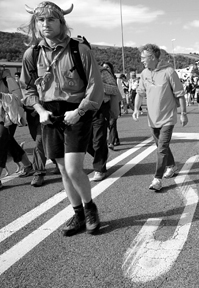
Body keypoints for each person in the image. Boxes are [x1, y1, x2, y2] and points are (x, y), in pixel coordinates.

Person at [20, 1, 104, 236]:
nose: (45, 24)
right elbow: (27, 89)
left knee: (74, 168)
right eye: (41, 20)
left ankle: (90, 209)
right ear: (35, 24)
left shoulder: (79, 49)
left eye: (51, 19)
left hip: (76, 112)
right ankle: (77, 214)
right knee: (63, 170)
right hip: (49, 115)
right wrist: (40, 110)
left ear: (61, 22)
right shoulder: (32, 53)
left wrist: (79, 111)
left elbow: (95, 85)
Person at [132, 44, 188, 191]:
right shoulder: (144, 73)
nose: (141, 60)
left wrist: (183, 113)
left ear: (152, 57)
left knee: (161, 148)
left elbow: (180, 94)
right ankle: (171, 166)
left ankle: (157, 179)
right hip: (152, 118)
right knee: (161, 146)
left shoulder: (169, 72)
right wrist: (136, 108)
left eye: (144, 57)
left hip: (168, 117)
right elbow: (140, 93)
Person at [0, 69, 34, 189]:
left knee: (2, 141)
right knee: (8, 142)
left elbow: (18, 99)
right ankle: (28, 165)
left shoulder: (8, 80)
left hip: (9, 117)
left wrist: (2, 96)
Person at [87, 62, 120, 181]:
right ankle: (103, 154)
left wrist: (99, 85)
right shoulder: (76, 71)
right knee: (85, 142)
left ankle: (99, 169)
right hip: (82, 108)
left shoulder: (102, 72)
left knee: (98, 139)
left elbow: (114, 89)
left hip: (100, 107)